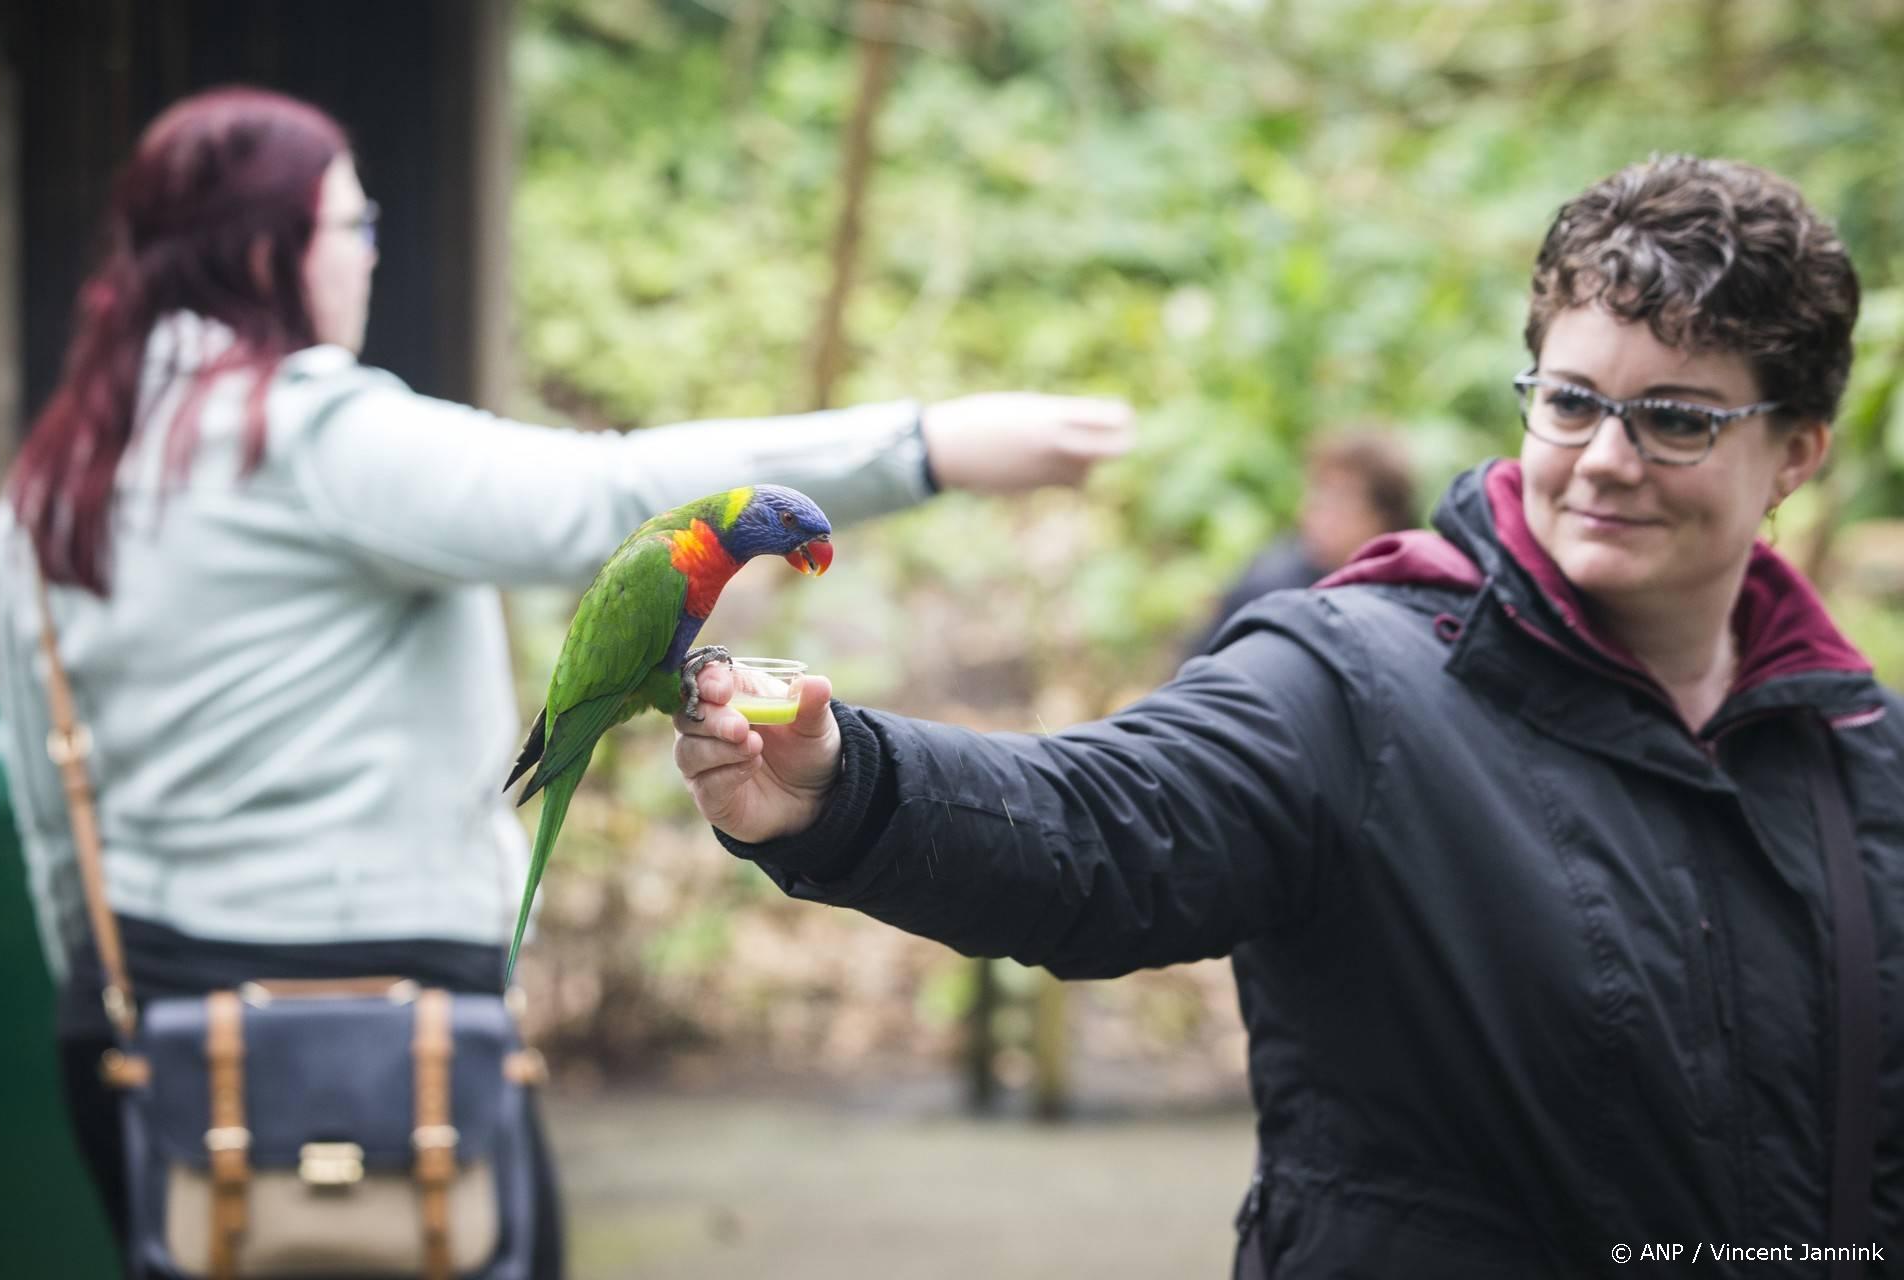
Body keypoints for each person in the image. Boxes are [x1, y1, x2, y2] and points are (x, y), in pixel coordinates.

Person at [673, 154, 1902, 1276]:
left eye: (1677, 417)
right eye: (1571, 401)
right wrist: (845, 784)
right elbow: (1101, 827)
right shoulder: (1355, 677)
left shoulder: (1860, 756)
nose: (1605, 457)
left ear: (1795, 451)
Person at [0, 85, 1132, 1275]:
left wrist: (107, 988)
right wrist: (919, 448)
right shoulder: (307, 433)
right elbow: (597, 501)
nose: (371, 256)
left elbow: (51, 805)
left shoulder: (57, 473)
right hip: (378, 1029)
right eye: (356, 224)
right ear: (271, 248)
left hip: (146, 1022)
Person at [1188, 428, 1417, 656]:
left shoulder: (1408, 594)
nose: (1317, 512)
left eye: (1340, 500)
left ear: (1383, 517)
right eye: (1317, 493)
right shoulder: (1269, 583)